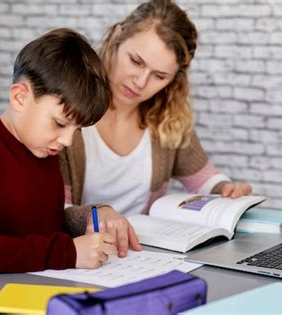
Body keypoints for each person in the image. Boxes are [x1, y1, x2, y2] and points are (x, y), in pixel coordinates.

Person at [60, 0, 253, 254]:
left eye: (159, 76)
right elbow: (51, 208)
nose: (140, 82)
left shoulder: (166, 116)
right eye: (136, 61)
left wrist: (226, 190)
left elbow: (204, 178)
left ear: (174, 79)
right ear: (118, 37)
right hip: (78, 257)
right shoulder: (67, 104)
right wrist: (95, 214)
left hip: (140, 256)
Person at [0, 28, 120, 292]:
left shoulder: (44, 151)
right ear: (20, 97)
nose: (67, 141)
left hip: (30, 292)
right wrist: (67, 252)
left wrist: (84, 240)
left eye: (77, 130)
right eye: (60, 123)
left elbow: (38, 237)